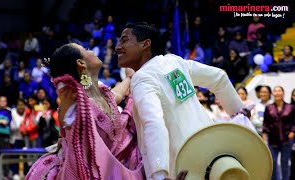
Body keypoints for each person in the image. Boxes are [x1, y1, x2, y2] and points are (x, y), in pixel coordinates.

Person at [115, 22, 245, 180]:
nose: (117, 47)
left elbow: (154, 122)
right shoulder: (174, 62)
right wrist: (238, 111)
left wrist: (160, 174)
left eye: (124, 40)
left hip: (183, 167)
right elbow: (219, 77)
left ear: (145, 44)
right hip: (214, 153)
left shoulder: (142, 78)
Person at [25, 43, 144, 179]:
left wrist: (129, 78)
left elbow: (116, 95)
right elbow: (66, 116)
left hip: (110, 166)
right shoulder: (76, 105)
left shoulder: (101, 92)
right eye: (86, 50)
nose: (91, 51)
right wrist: (65, 91)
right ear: (81, 63)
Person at [262, 86, 295, 180]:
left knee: (285, 162)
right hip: (273, 140)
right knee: (273, 162)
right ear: (272, 94)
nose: (277, 93)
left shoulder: (291, 107)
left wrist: (293, 132)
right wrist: (265, 139)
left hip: (287, 140)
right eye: (275, 91)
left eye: (279, 91)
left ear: (283, 93)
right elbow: (265, 124)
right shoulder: (269, 107)